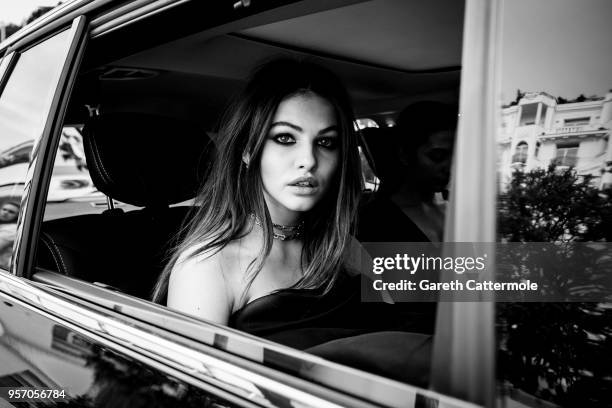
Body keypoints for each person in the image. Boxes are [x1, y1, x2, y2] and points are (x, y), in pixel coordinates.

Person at [151, 59, 363, 330]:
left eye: (325, 142)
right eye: (285, 138)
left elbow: (412, 322)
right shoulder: (208, 265)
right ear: (249, 150)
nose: (308, 160)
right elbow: (192, 373)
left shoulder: (345, 247)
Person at [358, 101, 457, 243]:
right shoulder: (376, 220)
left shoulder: (450, 210)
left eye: (455, 157)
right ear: (405, 155)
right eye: (437, 157)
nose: (449, 167)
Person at [0, 201, 20, 269]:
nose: (5, 212)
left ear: (17, 216)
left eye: (11, 212)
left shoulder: (12, 229)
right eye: (4, 209)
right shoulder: (4, 225)